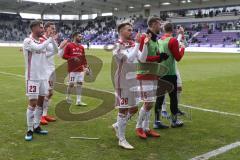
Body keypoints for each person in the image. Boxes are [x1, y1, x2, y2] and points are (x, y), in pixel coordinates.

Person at [112, 22, 149, 149]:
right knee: (123, 109)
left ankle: (117, 125)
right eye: (128, 30)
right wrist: (138, 43)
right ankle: (121, 139)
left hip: (134, 79)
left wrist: (145, 45)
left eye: (131, 29)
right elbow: (128, 60)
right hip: (122, 81)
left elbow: (142, 59)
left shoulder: (133, 44)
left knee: (133, 109)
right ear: (121, 31)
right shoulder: (117, 45)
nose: (131, 32)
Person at [23, 20, 57, 141]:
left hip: (43, 77)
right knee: (32, 103)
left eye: (43, 27)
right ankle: (29, 129)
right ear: (33, 28)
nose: (43, 29)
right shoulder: (28, 41)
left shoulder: (42, 41)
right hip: (32, 77)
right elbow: (38, 47)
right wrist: (49, 38)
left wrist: (53, 40)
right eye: (41, 27)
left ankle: (37, 126)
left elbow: (54, 52)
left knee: (41, 102)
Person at [135, 16, 169, 139]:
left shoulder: (155, 40)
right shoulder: (145, 37)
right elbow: (141, 59)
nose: (161, 27)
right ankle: (139, 127)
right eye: (159, 24)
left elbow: (154, 56)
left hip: (153, 74)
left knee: (150, 103)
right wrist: (158, 58)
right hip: (145, 74)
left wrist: (160, 56)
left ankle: (146, 128)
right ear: (154, 24)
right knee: (148, 103)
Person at [154, 22, 185, 128]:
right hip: (170, 73)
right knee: (173, 98)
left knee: (160, 98)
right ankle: (174, 121)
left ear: (163, 29)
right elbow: (178, 58)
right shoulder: (173, 40)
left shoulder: (159, 41)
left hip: (160, 73)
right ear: (173, 30)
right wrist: (182, 49)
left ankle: (157, 122)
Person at [63, 32, 89, 106]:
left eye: (81, 36)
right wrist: (72, 58)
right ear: (75, 37)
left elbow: (84, 58)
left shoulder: (81, 47)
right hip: (72, 69)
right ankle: (67, 97)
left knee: (80, 84)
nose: (81, 38)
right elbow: (64, 56)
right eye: (79, 36)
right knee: (71, 84)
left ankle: (78, 101)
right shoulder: (69, 45)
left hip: (80, 69)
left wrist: (86, 67)